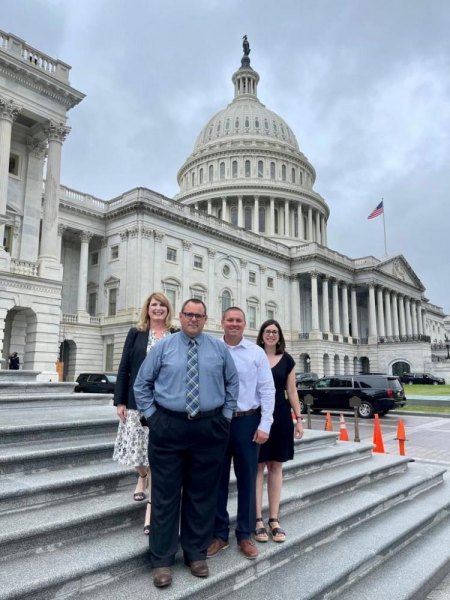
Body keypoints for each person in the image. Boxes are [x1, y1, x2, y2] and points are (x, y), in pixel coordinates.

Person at [133, 298, 239, 588]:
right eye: (189, 314)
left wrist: (225, 417)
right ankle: (162, 560)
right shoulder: (164, 347)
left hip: (208, 428)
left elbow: (232, 384)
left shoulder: (218, 348)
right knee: (165, 495)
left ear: (206, 319)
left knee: (201, 494)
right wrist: (153, 417)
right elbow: (142, 384)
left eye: (199, 315)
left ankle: (195, 553)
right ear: (179, 316)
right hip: (168, 426)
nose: (193, 319)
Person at [207, 307, 275, 561]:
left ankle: (244, 534)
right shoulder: (212, 349)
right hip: (218, 422)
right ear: (222, 322)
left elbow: (267, 389)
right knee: (217, 480)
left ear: (245, 324)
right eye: (230, 320)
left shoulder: (256, 353)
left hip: (247, 421)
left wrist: (265, 424)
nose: (234, 324)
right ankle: (219, 534)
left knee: (248, 480)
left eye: (238, 320)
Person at [112, 292, 176, 535]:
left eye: (162, 305)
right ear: (147, 309)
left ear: (168, 309)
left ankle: (149, 488)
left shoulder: (174, 335)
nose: (158, 308)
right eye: (154, 305)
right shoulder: (136, 333)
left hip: (164, 404)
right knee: (135, 453)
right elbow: (124, 367)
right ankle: (142, 476)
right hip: (135, 400)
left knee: (155, 451)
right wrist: (119, 400)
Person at [254, 319, 303, 544]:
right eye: (267, 331)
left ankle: (273, 518)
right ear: (261, 334)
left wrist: (299, 419)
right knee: (258, 466)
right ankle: (257, 519)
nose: (271, 335)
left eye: (274, 332)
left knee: (276, 466)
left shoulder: (288, 359)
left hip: (281, 416)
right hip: (257, 416)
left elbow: (292, 392)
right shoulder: (254, 355)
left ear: (279, 335)